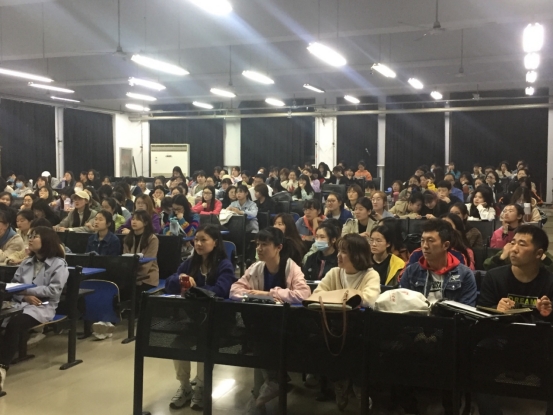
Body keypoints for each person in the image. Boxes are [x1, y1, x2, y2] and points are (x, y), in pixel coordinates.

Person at [230, 227, 310, 414]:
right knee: (259, 339)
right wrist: (253, 294)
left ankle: (269, 386)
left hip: (288, 327)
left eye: (264, 244)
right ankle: (271, 384)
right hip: (262, 326)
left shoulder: (290, 267)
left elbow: (304, 294)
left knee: (262, 341)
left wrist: (270, 294)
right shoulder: (256, 267)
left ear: (278, 247)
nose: (259, 248)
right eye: (257, 244)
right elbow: (234, 290)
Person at [477, 225, 553, 415]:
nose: (514, 249)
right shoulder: (495, 277)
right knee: (478, 353)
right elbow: (481, 314)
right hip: (501, 338)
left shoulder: (550, 281)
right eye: (513, 242)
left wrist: (547, 314)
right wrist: (496, 310)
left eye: (522, 244)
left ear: (539, 254)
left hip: (539, 342)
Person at [165, 225, 235, 410]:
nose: (198, 243)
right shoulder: (190, 263)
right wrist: (179, 278)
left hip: (219, 323)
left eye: (204, 240)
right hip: (194, 321)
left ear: (215, 242)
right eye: (196, 240)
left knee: (205, 346)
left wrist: (195, 290)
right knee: (177, 345)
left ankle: (202, 388)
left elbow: (221, 291)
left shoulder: (224, 265)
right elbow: (170, 283)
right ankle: (185, 387)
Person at [0, 226, 68, 392]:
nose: (30, 239)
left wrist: (27, 290)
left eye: (35, 237)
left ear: (46, 240)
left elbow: (53, 290)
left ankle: (2, 367)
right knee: (4, 319)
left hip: (43, 305)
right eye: (30, 236)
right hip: (21, 302)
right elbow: (14, 286)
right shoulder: (27, 262)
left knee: (15, 324)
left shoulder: (59, 264)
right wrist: (24, 296)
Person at [400, 219, 477, 305]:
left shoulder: (465, 275)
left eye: (430, 241)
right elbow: (402, 304)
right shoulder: (411, 272)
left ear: (446, 245)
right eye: (422, 240)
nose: (425, 246)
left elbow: (466, 309)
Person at [123, 210, 159, 289]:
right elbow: (126, 259)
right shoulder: (127, 239)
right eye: (133, 219)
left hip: (148, 277)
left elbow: (148, 262)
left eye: (138, 219)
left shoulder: (152, 239)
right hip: (130, 276)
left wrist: (134, 276)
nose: (134, 222)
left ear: (145, 223)